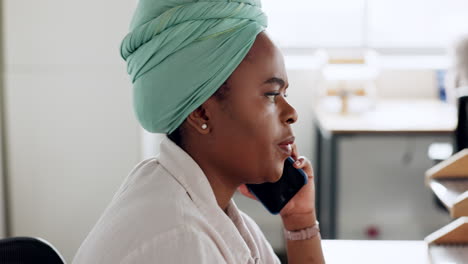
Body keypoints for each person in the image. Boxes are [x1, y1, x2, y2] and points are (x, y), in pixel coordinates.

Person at [73, 0, 325, 263]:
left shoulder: (197, 202)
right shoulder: (180, 242)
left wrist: (300, 221)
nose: (291, 113)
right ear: (201, 114)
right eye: (272, 94)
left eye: (285, 93)